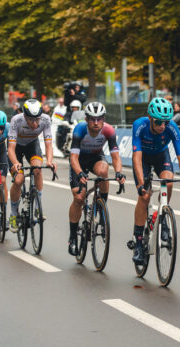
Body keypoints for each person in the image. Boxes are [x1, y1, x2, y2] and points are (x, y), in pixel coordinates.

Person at [131, 97, 180, 265]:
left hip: (161, 155)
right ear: (150, 118)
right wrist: (141, 184)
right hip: (143, 158)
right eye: (158, 122)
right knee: (144, 196)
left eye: (165, 122)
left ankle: (163, 214)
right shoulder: (140, 125)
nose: (162, 126)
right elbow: (136, 158)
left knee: (169, 181)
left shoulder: (172, 128)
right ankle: (138, 242)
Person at [67, 102, 125, 256]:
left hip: (96, 157)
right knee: (79, 198)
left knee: (104, 170)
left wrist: (119, 172)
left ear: (103, 119)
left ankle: (101, 206)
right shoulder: (80, 129)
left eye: (99, 119)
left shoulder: (109, 130)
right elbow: (73, 157)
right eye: (92, 119)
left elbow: (115, 156)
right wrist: (80, 173)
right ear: (86, 119)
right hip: (79, 160)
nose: (96, 122)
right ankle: (72, 237)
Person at [7, 99, 57, 232]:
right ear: (24, 116)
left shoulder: (46, 119)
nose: (35, 124)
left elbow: (48, 144)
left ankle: (37, 207)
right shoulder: (16, 120)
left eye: (37, 119)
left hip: (31, 145)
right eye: (31, 120)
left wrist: (49, 161)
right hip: (16, 147)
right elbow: (10, 149)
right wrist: (16, 163)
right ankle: (13, 214)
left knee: (38, 170)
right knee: (18, 180)